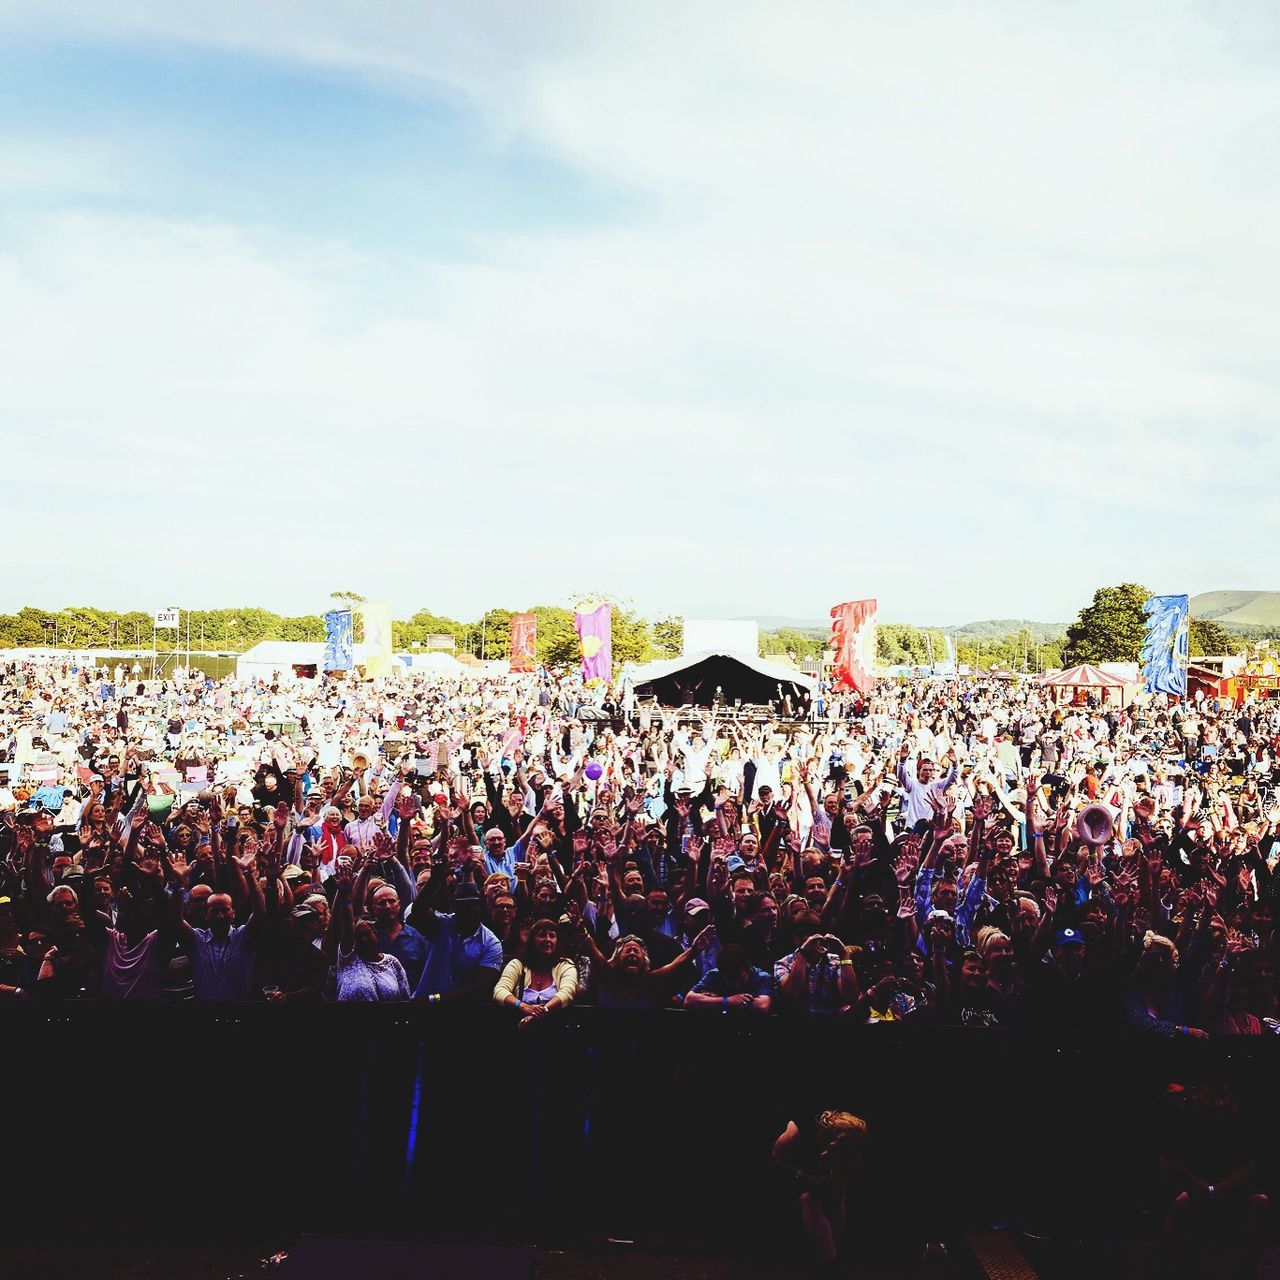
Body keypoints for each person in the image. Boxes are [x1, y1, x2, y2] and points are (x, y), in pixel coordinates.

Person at [771, 1110, 868, 1264]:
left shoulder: (848, 1150)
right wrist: (806, 1176)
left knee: (837, 1196)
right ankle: (831, 1261)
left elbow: (840, 1182)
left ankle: (831, 1255)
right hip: (786, 1173)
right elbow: (777, 1158)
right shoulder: (795, 1132)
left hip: (813, 1175)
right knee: (809, 1199)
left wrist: (834, 1186)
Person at [324, 868, 410, 1002]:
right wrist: (345, 895)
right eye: (357, 936)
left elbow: (405, 998)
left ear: (376, 933)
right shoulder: (348, 960)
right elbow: (347, 925)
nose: (363, 939)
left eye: (366, 933)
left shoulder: (392, 963)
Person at [493, 917, 578, 1026]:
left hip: (556, 1029)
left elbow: (568, 992)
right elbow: (499, 991)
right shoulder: (517, 964)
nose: (547, 939)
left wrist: (539, 1012)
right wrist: (522, 1006)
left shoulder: (565, 965)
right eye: (542, 935)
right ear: (532, 940)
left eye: (552, 936)